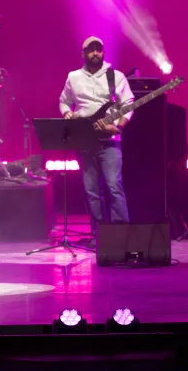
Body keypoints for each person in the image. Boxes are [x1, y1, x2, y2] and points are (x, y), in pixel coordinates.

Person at [58, 36, 134, 237]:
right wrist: (67, 113)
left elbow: (128, 104)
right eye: (90, 50)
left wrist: (118, 127)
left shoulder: (115, 76)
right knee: (91, 191)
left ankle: (121, 234)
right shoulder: (73, 77)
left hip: (110, 141)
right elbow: (64, 101)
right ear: (83, 53)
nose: (95, 53)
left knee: (113, 186)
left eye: (98, 49)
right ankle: (99, 234)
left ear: (103, 52)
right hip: (84, 140)